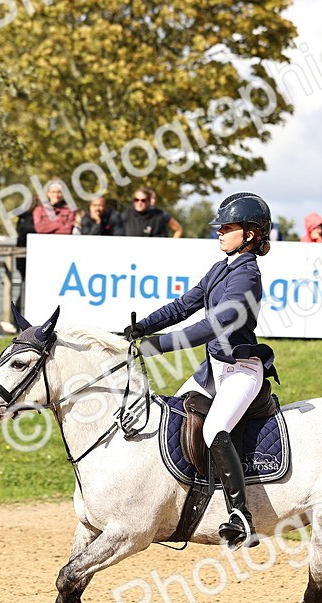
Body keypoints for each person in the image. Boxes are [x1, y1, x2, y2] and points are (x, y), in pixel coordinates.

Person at [125, 192, 278, 549]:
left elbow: (215, 325)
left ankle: (241, 516)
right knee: (169, 421)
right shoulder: (220, 269)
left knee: (214, 428)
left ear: (251, 234)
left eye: (227, 227)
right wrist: (142, 328)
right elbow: (184, 306)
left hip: (241, 371)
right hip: (212, 370)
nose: (219, 233)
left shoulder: (248, 276)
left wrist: (159, 345)